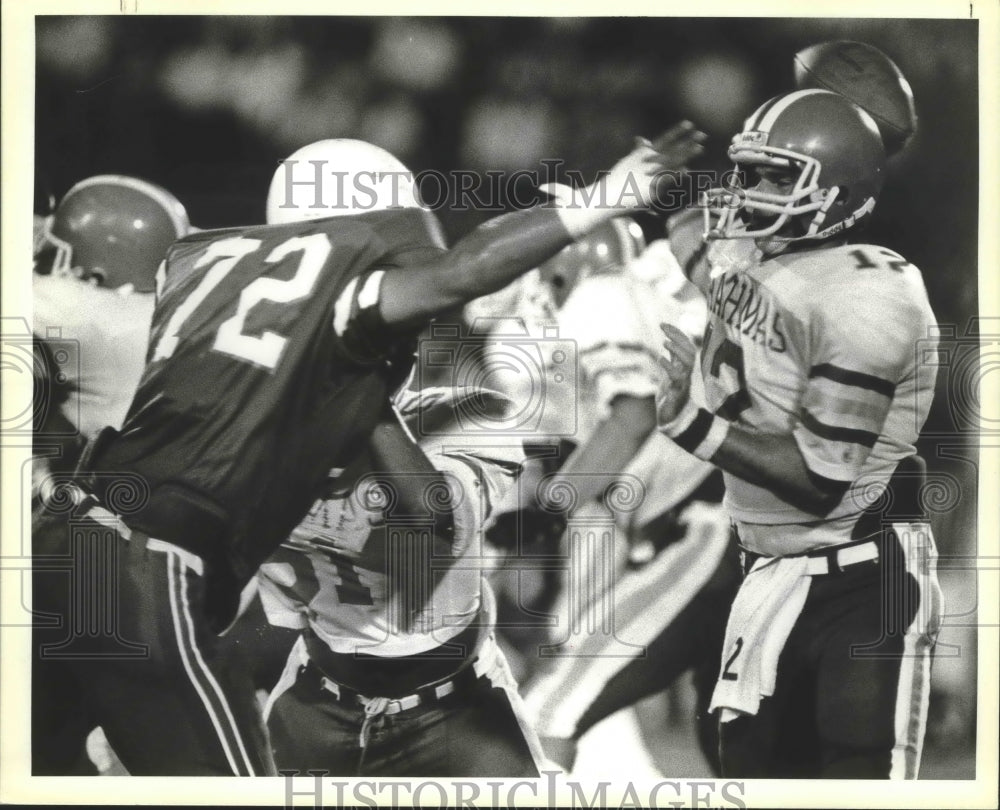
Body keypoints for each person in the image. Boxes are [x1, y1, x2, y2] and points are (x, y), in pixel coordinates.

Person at [33, 126, 705, 775]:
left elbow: (429, 529)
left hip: (443, 699)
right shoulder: (271, 390)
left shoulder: (461, 403)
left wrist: (353, 401)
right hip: (301, 671)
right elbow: (460, 273)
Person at [654, 89, 942, 778]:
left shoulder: (869, 296)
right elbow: (691, 232)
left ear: (839, 193)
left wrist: (693, 425)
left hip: (862, 579)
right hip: (767, 570)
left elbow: (820, 482)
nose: (750, 192)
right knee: (751, 779)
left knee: (859, 780)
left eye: (777, 177)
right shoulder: (751, 260)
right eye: (749, 173)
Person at [476, 220, 737, 775]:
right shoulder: (658, 301)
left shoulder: (602, 298)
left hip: (697, 530)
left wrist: (544, 512)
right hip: (694, 528)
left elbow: (629, 419)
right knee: (732, 739)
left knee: (559, 694)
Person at [258, 385, 544, 777]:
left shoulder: (470, 410)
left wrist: (366, 398)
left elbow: (431, 533)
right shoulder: (260, 425)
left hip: (455, 715)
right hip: (315, 701)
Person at [30, 175, 191, 776]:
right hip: (174, 562)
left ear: (95, 271)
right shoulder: (170, 310)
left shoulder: (96, 316)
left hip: (111, 571)